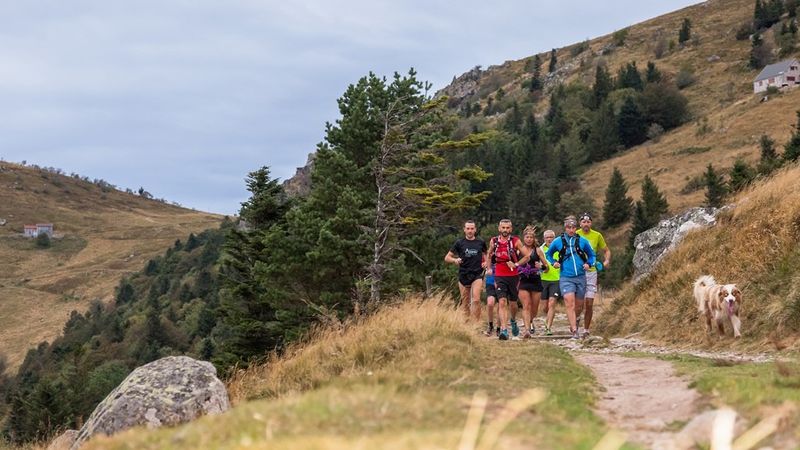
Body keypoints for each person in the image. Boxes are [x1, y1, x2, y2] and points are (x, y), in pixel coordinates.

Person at [545, 216, 596, 339]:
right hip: (566, 277)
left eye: (573, 227)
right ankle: (574, 330)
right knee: (569, 303)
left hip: (580, 276)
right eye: (569, 227)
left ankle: (576, 320)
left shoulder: (583, 241)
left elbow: (592, 255)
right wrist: (554, 263)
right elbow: (548, 254)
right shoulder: (558, 241)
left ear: (576, 228)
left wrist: (588, 263)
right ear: (565, 228)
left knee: (579, 306)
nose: (571, 230)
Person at [485, 219, 531, 340]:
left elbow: (527, 256)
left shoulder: (515, 241)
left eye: (507, 228)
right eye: (503, 228)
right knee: (502, 301)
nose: (505, 230)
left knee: (513, 304)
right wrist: (489, 268)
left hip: (513, 276)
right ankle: (504, 330)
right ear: (499, 228)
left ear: (511, 229)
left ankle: (513, 320)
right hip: (499, 274)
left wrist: (516, 265)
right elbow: (489, 255)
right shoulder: (494, 241)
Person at [575, 212, 611, 338]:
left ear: (591, 223)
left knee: (589, 303)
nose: (586, 224)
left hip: (591, 271)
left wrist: (606, 260)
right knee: (578, 303)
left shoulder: (597, 235)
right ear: (580, 223)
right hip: (577, 272)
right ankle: (576, 323)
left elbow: (606, 250)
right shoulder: (575, 234)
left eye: (588, 222)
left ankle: (586, 330)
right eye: (584, 222)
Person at [444, 220, 487, 321]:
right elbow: (447, 257)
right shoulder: (459, 243)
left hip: (477, 274)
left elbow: (487, 254)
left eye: (472, 228)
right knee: (465, 302)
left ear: (475, 229)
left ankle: (477, 324)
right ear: (464, 230)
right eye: (468, 228)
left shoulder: (480, 242)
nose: (470, 231)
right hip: (463, 274)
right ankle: (467, 324)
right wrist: (455, 260)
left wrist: (486, 262)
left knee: (476, 300)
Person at [517, 226, 549, 338]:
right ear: (523, 238)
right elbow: (514, 263)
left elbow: (547, 267)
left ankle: (530, 321)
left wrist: (541, 266)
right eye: (527, 237)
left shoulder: (538, 250)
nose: (529, 239)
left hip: (535, 280)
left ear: (534, 238)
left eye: (531, 237)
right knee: (526, 305)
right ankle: (526, 330)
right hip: (523, 280)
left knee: (534, 308)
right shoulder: (518, 250)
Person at [539, 229, 561, 336]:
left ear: (554, 238)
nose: (549, 239)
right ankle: (547, 319)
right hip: (543, 280)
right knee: (544, 307)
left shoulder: (559, 248)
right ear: (544, 239)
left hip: (556, 280)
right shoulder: (540, 250)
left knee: (552, 303)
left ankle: (548, 327)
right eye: (547, 237)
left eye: (551, 237)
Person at [483, 264, 500, 336]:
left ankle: (499, 328)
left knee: (501, 306)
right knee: (490, 304)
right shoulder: (488, 255)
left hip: (501, 282)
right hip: (490, 282)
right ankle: (490, 325)